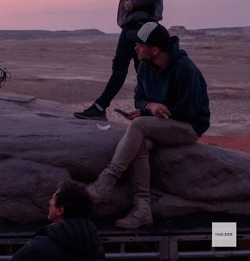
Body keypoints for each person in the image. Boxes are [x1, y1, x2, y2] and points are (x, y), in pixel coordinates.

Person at [86, 22, 209, 229]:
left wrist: (149, 112)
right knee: (140, 144)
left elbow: (189, 112)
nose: (135, 48)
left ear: (154, 50)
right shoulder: (145, 66)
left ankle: (106, 181)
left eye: (140, 45)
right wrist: (150, 106)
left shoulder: (186, 70)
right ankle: (142, 209)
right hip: (161, 124)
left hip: (188, 127)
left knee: (139, 126)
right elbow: (139, 99)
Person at [75, 0, 173, 120]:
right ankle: (152, 110)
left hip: (139, 22)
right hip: (138, 21)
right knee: (142, 68)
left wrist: (135, 1)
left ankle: (100, 107)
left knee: (122, 64)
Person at [12, 180, 105, 260]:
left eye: (53, 198)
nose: (50, 202)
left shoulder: (40, 247)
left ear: (60, 210)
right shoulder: (97, 248)